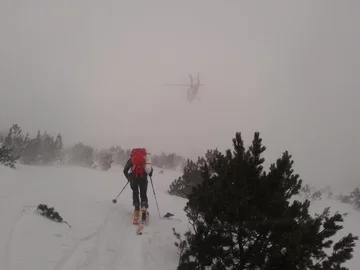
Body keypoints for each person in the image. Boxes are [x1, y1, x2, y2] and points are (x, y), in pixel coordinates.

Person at [123, 148, 153, 222]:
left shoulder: (131, 160)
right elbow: (150, 170)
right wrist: (150, 174)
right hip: (143, 179)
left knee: (135, 193)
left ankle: (136, 210)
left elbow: (125, 170)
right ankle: (144, 209)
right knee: (143, 194)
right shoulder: (145, 159)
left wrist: (128, 177)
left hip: (134, 179)